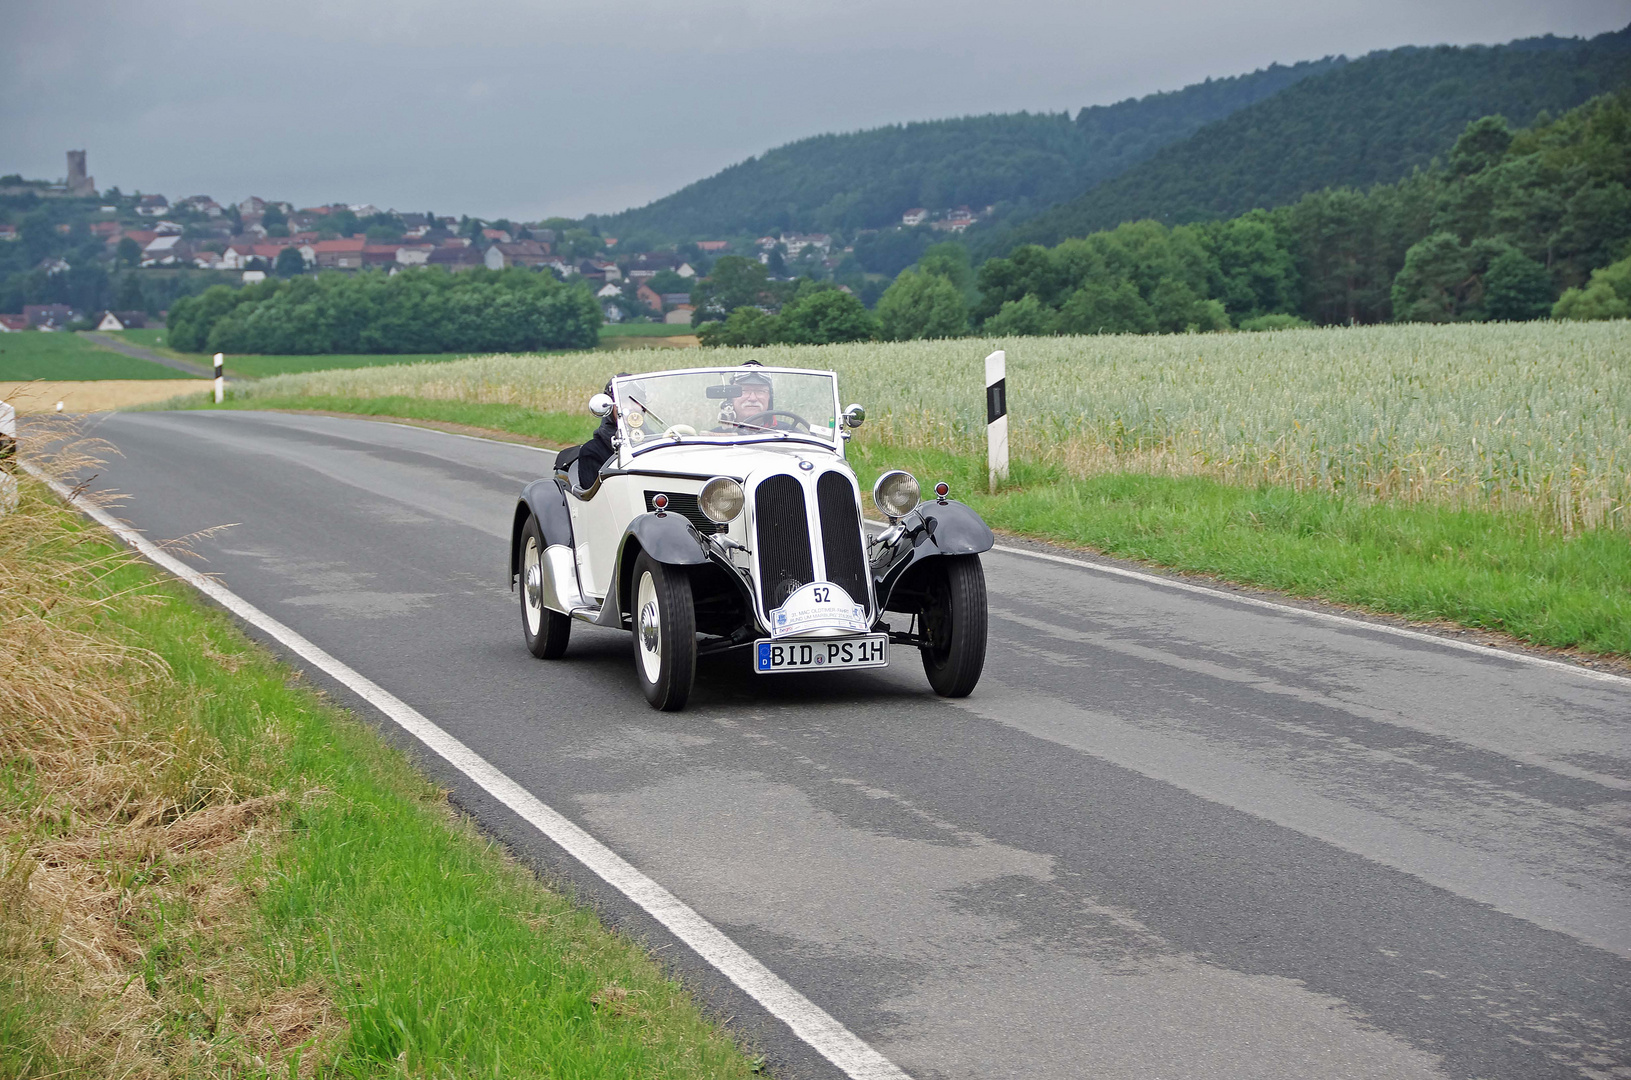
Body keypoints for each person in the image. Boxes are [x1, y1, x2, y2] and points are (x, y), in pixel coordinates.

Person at [560, 374, 628, 489]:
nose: (629, 407)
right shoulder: (592, 452)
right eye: (622, 402)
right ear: (610, 407)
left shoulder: (656, 443)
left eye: (635, 401)